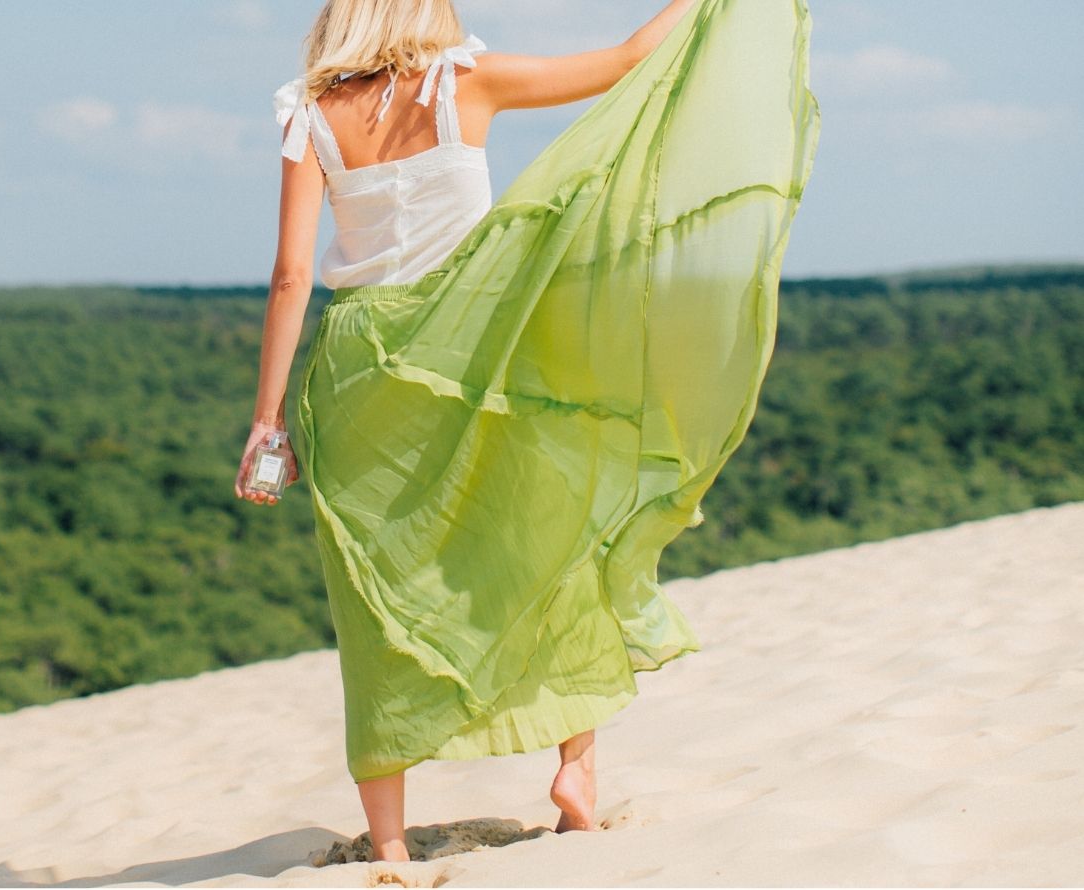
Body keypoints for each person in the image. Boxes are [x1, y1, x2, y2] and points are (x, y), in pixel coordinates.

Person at [235, 0, 820, 864]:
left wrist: (265, 422)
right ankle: (576, 771)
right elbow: (626, 59)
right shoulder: (464, 80)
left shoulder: (309, 114)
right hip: (474, 344)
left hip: (359, 370)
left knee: (373, 593)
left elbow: (291, 276)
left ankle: (389, 845)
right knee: (542, 538)